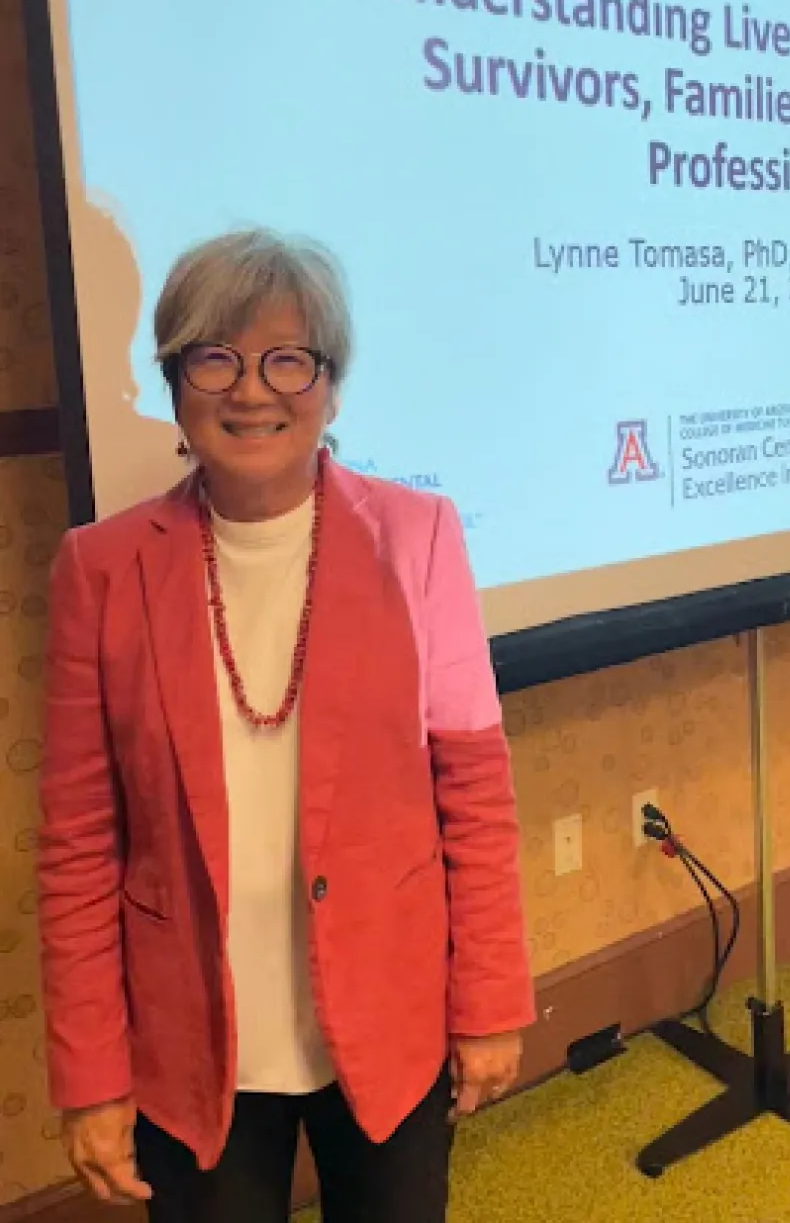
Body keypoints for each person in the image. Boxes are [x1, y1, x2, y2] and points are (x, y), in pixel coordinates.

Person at [37, 229, 534, 1222]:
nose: (251, 389)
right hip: (191, 1044)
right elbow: (80, 845)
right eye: (215, 355)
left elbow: (473, 791)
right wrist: (90, 1073)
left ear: (331, 385)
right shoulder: (101, 570)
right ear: (177, 381)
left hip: (387, 1022)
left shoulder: (418, 538)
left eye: (288, 357)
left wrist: (487, 1002)